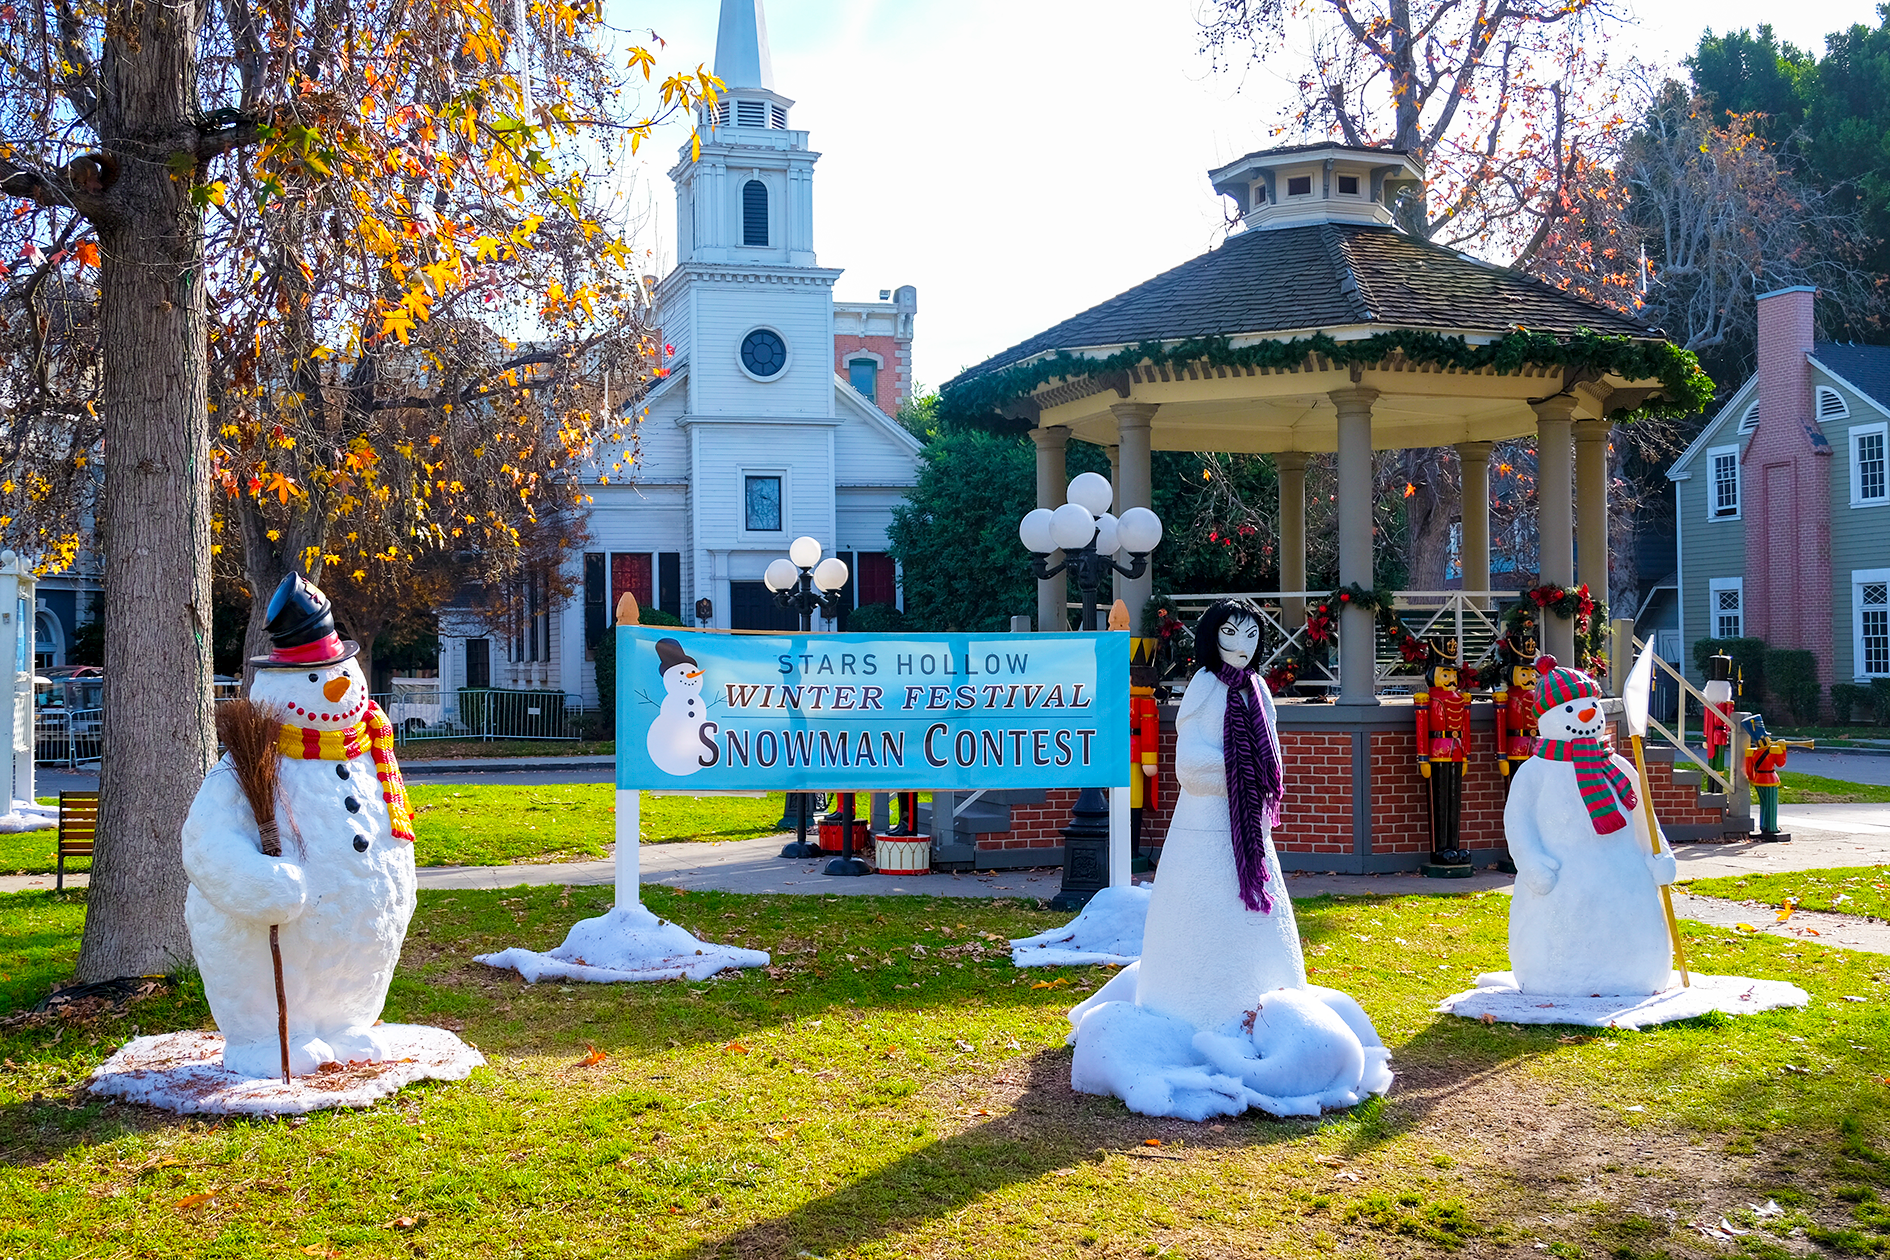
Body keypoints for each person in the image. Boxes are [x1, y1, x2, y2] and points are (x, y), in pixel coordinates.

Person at [1413, 638, 1472, 870]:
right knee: (1440, 799)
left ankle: (1454, 845)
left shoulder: (1462, 699)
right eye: (1444, 674)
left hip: (1456, 751)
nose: (1450, 679)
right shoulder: (1427, 699)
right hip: (1438, 750)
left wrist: (1466, 754)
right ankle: (1439, 849)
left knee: (1455, 799)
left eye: (1452, 674)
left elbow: (1465, 728)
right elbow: (1421, 729)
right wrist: (1423, 757)